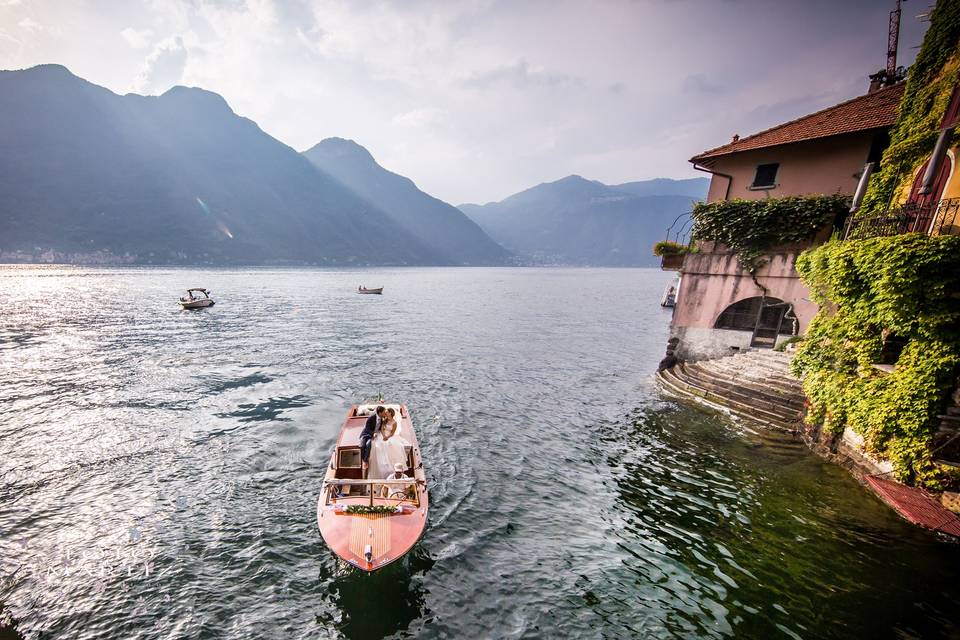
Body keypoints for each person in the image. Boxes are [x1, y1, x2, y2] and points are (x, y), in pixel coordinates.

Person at [368, 408, 409, 481]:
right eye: (385, 412)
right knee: (378, 444)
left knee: (390, 445)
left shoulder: (394, 423)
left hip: (390, 436)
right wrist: (384, 436)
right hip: (382, 435)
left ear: (390, 413)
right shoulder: (385, 420)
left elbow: (392, 433)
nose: (385, 413)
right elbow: (381, 429)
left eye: (387, 412)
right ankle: (382, 465)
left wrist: (387, 437)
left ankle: (390, 466)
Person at [359, 405, 386, 477]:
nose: (384, 413)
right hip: (366, 434)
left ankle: (365, 461)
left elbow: (381, 428)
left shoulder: (382, 419)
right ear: (379, 413)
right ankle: (363, 460)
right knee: (362, 446)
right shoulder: (371, 418)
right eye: (383, 412)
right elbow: (367, 428)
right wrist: (373, 433)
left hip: (374, 436)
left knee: (368, 444)